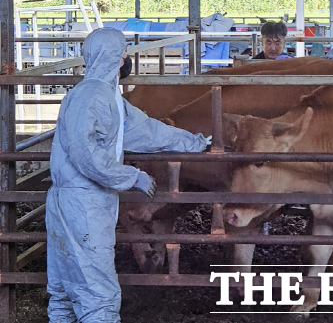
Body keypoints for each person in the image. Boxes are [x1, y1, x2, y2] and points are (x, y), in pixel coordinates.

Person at [46, 28, 211, 322]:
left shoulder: (108, 97)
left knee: (66, 290)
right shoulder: (91, 96)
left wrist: (193, 142)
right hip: (82, 205)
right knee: (98, 295)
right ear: (113, 56)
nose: (125, 57)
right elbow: (86, 153)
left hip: (80, 203)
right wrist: (130, 176)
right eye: (122, 51)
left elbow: (145, 131)